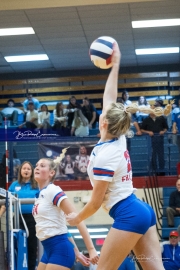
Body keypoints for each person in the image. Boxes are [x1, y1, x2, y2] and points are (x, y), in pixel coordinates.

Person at [66, 43, 165, 270]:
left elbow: (95, 202)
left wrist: (77, 218)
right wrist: (116, 64)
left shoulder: (106, 155)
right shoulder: (117, 137)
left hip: (129, 213)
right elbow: (109, 96)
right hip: (140, 210)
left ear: (104, 122)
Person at [32, 157, 98, 270]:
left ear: (51, 173)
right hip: (48, 250)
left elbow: (78, 219)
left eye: (42, 166)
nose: (37, 167)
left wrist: (91, 250)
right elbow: (62, 228)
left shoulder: (53, 190)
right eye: (37, 165)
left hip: (60, 250)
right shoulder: (40, 196)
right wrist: (76, 252)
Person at [8, 161, 39, 270]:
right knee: (15, 244)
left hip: (32, 219)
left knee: (31, 246)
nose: (26, 170)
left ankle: (30, 268)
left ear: (32, 172)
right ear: (20, 171)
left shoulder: (36, 185)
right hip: (17, 218)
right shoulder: (14, 185)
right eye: (24, 168)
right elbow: (6, 201)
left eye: (28, 169)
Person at [141, 101, 168, 175]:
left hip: (160, 140)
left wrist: (163, 131)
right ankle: (154, 172)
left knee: (161, 157)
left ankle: (162, 172)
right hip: (150, 141)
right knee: (152, 157)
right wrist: (148, 132)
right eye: (151, 109)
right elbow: (142, 129)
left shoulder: (161, 118)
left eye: (154, 109)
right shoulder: (146, 120)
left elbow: (166, 128)